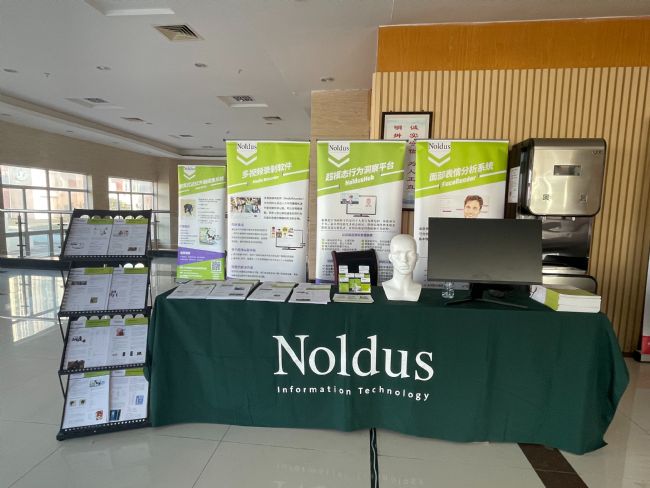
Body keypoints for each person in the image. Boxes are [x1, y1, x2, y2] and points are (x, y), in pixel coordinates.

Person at [382, 234, 421, 302]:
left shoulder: (418, 288)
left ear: (417, 257)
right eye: (397, 253)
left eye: (410, 253)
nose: (404, 260)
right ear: (390, 258)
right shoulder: (386, 287)